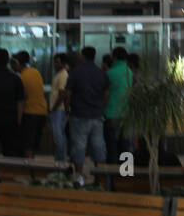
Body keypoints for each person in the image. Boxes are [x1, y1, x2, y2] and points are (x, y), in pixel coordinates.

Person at [65, 46, 109, 186]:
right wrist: (100, 106)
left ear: (83, 57)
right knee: (98, 147)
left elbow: (68, 93)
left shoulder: (75, 72)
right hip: (97, 116)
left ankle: (80, 180)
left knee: (79, 148)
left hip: (79, 115)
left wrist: (67, 109)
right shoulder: (101, 73)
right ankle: (99, 180)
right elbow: (107, 93)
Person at [104, 46, 134, 165]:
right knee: (125, 144)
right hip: (125, 112)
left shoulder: (109, 73)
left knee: (111, 144)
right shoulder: (129, 72)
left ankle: (111, 173)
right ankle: (126, 173)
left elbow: (105, 92)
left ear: (113, 57)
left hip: (111, 113)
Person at [15, 51, 48, 158]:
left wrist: (18, 118)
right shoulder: (35, 72)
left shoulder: (22, 77)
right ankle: (32, 166)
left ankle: (28, 168)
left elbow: (22, 98)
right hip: (42, 112)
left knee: (27, 144)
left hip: (30, 113)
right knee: (34, 144)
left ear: (18, 64)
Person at [49, 54, 69, 165]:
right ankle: (59, 160)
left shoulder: (63, 75)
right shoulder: (59, 74)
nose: (55, 64)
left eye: (57, 62)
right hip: (57, 110)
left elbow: (62, 94)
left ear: (63, 63)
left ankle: (60, 161)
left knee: (58, 137)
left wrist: (54, 108)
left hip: (58, 110)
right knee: (60, 136)